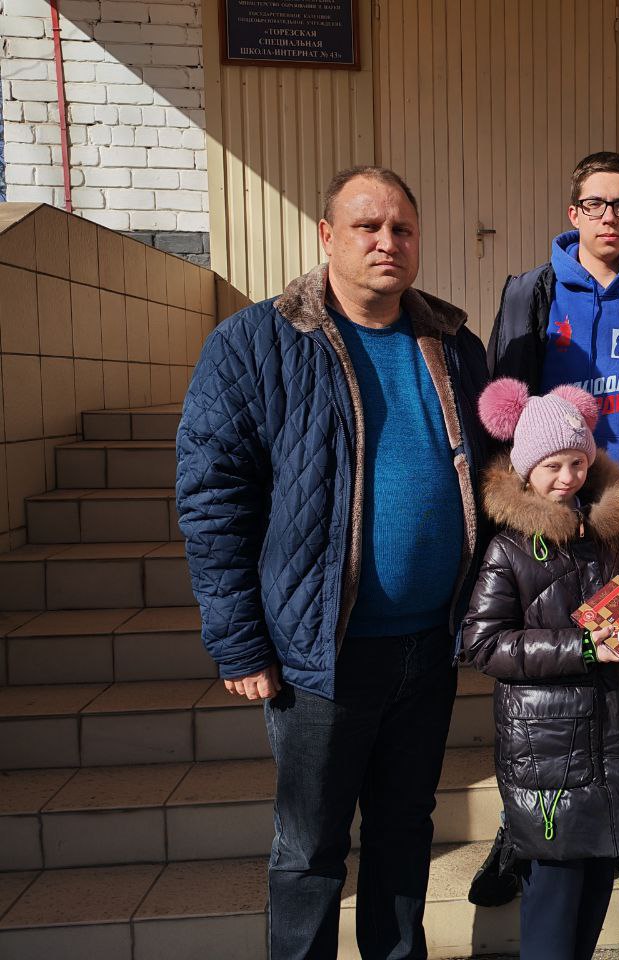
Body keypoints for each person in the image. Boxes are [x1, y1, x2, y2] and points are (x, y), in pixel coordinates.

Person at [176, 166, 489, 960]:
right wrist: (238, 641)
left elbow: (493, 475)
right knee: (311, 847)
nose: (388, 242)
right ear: (326, 235)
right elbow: (213, 500)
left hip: (429, 647)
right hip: (321, 654)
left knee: (403, 832)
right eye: (367, 227)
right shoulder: (256, 342)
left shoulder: (454, 345)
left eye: (402, 229)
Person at [462, 379, 619, 960]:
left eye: (578, 463)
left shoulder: (609, 538)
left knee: (595, 895)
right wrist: (580, 647)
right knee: (554, 905)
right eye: (552, 466)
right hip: (546, 753)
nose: (567, 478)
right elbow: (483, 644)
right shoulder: (509, 550)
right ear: (526, 470)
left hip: (610, 742)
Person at [488, 150, 619, 489]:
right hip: (554, 490)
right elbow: (505, 399)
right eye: (595, 204)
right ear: (574, 214)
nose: (609, 217)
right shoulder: (529, 294)